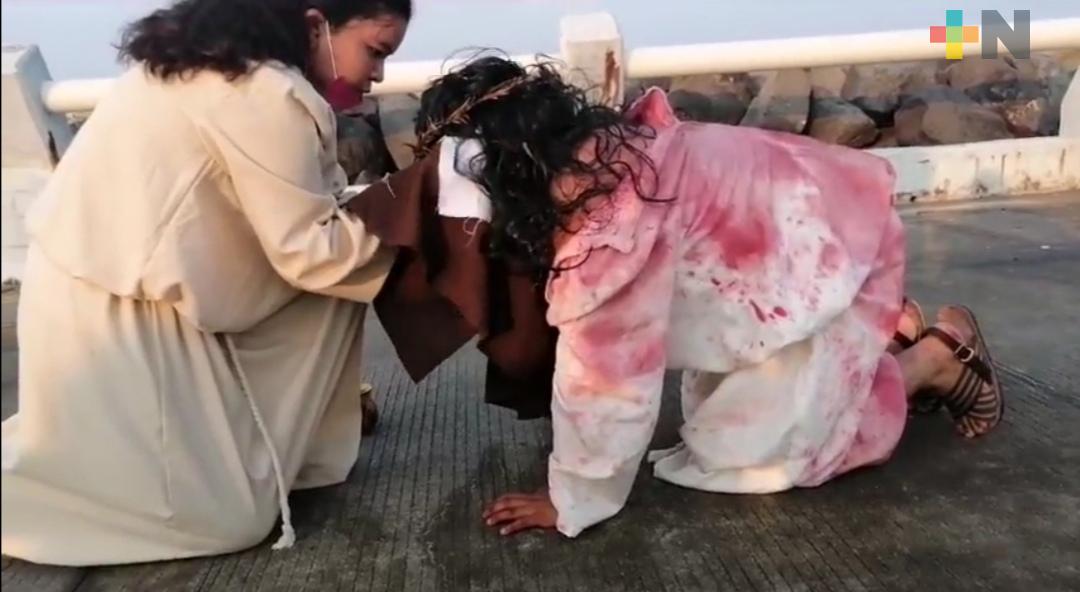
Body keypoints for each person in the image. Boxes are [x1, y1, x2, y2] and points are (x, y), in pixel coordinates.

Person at [406, 56, 1006, 539]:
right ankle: (873, 334)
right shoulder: (608, 154)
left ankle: (930, 361)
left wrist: (571, 498)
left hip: (834, 255)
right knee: (719, 431)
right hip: (819, 242)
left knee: (763, 461)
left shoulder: (608, 236)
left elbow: (607, 389)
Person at [1, 0, 411, 566]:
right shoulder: (267, 92)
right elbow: (310, 253)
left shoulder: (212, 66)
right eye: (376, 51)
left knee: (345, 278)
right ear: (317, 24)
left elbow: (302, 217)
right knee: (224, 518)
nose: (379, 75)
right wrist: (412, 221)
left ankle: (289, 440)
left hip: (88, 289)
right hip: (118, 315)